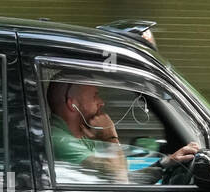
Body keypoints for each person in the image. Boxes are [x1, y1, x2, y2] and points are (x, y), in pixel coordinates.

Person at [46, 74, 199, 184]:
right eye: (94, 96)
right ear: (72, 105)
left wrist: (165, 163)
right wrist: (110, 137)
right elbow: (120, 180)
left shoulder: (83, 134)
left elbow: (125, 176)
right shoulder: (59, 141)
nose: (101, 102)